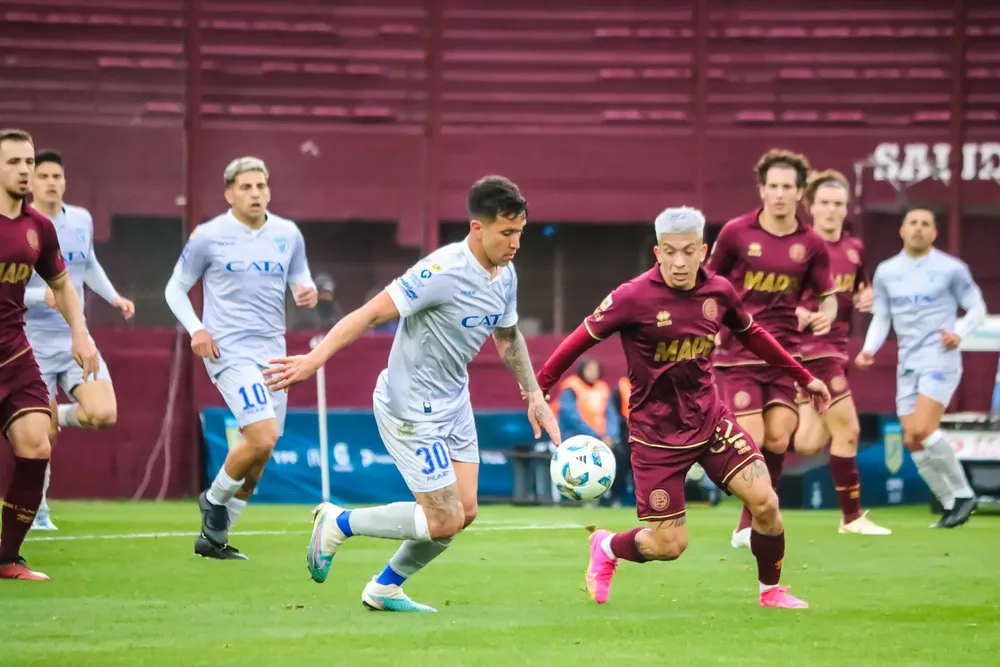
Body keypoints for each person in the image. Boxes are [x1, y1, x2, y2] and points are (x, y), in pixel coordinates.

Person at [264, 175, 561, 612]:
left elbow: (508, 336)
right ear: (477, 228)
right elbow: (367, 315)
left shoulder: (506, 274)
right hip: (410, 408)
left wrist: (534, 394)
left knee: (466, 511)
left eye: (520, 232)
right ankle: (339, 521)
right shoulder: (439, 272)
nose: (516, 243)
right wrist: (314, 360)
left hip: (455, 402)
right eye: (507, 233)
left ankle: (385, 588)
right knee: (444, 520)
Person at [535, 206, 830, 609]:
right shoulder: (632, 296)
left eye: (688, 251)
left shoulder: (720, 292)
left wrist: (803, 376)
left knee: (766, 503)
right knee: (669, 545)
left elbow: (753, 334)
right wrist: (539, 389)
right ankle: (606, 547)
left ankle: (771, 591)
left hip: (711, 422)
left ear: (703, 251)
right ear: (657, 252)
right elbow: (579, 338)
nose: (678, 261)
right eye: (669, 252)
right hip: (655, 437)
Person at [164, 157, 318, 560]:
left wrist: (308, 292)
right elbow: (174, 290)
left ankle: (213, 540)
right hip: (228, 350)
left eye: (261, 186)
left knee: (261, 455)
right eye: (246, 187)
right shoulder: (209, 236)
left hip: (273, 353)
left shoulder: (288, 233)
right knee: (261, 434)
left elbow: (302, 281)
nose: (255, 194)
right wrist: (197, 328)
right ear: (229, 193)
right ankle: (213, 500)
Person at [706, 149, 837, 550]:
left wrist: (826, 315)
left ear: (800, 193)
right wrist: (708, 325)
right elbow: (708, 283)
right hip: (738, 352)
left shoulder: (812, 244)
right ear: (762, 190)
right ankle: (751, 517)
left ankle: (752, 520)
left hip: (785, 356)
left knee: (780, 439)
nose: (779, 193)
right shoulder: (735, 233)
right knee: (755, 436)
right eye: (773, 186)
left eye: (787, 187)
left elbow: (828, 297)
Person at [0, 128, 98, 580]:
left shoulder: (39, 227)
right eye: (14, 163)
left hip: (15, 352)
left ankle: (6, 558)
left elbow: (62, 285)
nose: (24, 170)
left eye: (28, 162)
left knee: (37, 442)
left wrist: (81, 334)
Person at [24, 149, 135, 531]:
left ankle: (60, 412)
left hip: (75, 338)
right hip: (29, 342)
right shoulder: (17, 226)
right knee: (41, 435)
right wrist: (42, 297)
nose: (51, 182)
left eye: (57, 176)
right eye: (44, 176)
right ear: (31, 183)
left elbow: (86, 263)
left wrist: (113, 296)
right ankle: (37, 508)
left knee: (104, 413)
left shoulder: (81, 220)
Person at [858, 207, 985, 528]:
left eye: (925, 224)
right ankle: (949, 503)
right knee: (912, 439)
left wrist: (960, 332)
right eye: (912, 223)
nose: (918, 229)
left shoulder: (951, 269)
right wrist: (868, 350)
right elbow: (882, 316)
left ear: (934, 232)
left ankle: (965, 493)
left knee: (924, 429)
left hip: (939, 358)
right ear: (902, 230)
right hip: (908, 363)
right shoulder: (886, 272)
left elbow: (977, 307)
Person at [791, 169, 890, 535]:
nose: (832, 210)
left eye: (838, 204)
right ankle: (852, 518)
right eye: (825, 203)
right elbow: (774, 298)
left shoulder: (853, 248)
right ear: (811, 207)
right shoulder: (797, 249)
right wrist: (797, 313)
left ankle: (764, 434)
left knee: (808, 441)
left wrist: (866, 297)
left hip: (837, 349)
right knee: (849, 430)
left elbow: (859, 290)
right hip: (810, 351)